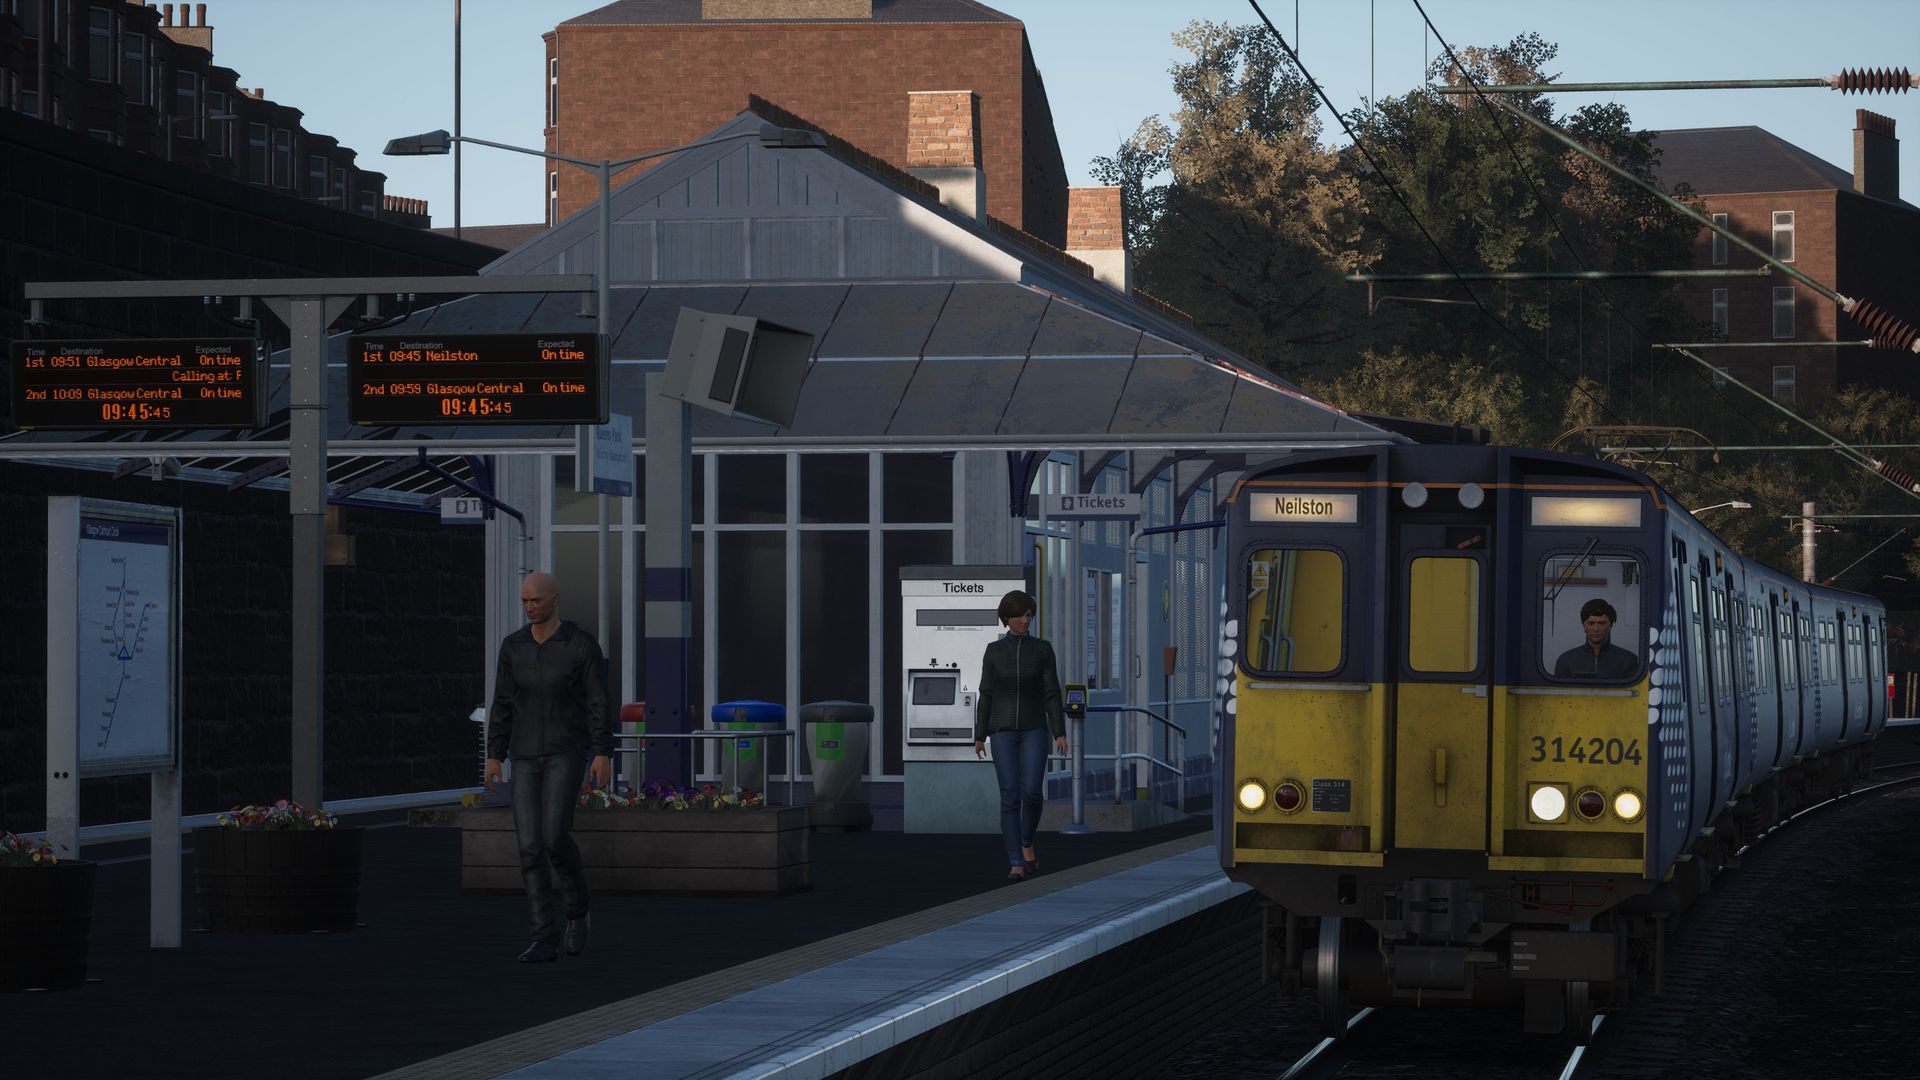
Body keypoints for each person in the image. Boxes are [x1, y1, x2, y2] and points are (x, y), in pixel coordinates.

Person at [485, 571, 613, 963]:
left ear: (554, 599)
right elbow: (502, 702)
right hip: (524, 754)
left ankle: (578, 909)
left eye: (536, 600)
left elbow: (598, 701)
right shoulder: (513, 647)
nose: (529, 607)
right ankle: (544, 936)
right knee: (528, 846)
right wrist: (494, 754)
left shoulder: (580, 645)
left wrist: (602, 752)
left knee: (555, 836)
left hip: (565, 751)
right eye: (524, 601)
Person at [972, 589, 1068, 883]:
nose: (1024, 620)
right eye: (1018, 615)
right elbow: (986, 694)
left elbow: (1052, 693)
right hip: (1001, 730)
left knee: (1032, 791)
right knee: (1010, 793)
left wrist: (1059, 731)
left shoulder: (1042, 650)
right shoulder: (994, 651)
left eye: (1028, 615)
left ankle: (1027, 841)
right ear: (1006, 618)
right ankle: (1015, 860)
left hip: (1034, 728)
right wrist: (979, 734)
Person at [1553, 597, 1638, 679]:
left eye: (1602, 623)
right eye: (1591, 623)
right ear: (1584, 626)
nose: (1596, 629)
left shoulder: (1628, 661)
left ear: (1610, 626)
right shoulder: (1566, 661)